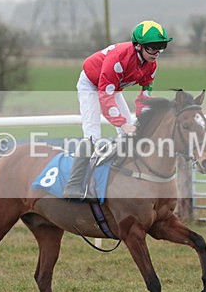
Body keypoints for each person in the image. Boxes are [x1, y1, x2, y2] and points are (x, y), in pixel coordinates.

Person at [62, 20, 173, 200]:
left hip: (112, 88)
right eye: (153, 48)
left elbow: (145, 98)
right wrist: (122, 123)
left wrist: (141, 122)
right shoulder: (118, 59)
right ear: (138, 46)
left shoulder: (151, 65)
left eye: (161, 47)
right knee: (93, 136)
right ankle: (73, 185)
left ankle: (122, 179)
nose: (157, 53)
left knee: (130, 133)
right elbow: (105, 97)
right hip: (92, 84)